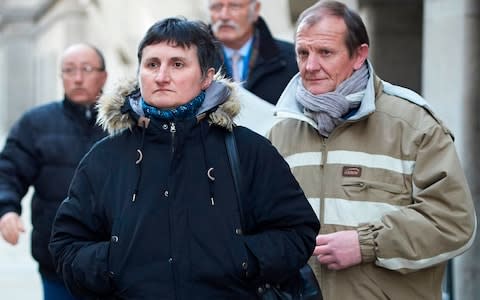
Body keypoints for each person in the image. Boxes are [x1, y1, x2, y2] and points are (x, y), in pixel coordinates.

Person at [48, 17, 319, 299]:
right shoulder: (104, 158)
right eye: (152, 64)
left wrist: (241, 257)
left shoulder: (248, 150)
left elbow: (297, 231)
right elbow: (67, 244)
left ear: (206, 77)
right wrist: (114, 263)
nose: (162, 76)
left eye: (178, 64)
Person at [268, 1, 476, 299]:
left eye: (325, 52)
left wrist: (367, 244)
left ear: (359, 55)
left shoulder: (414, 125)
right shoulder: (278, 131)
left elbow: (453, 222)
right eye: (303, 52)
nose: (310, 66)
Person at [0, 43, 108, 299]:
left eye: (86, 69)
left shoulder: (125, 124)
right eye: (69, 70)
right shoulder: (36, 123)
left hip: (112, 262)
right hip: (56, 260)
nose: (78, 78)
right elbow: (8, 171)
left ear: (103, 75)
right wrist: (7, 210)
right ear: (61, 77)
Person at [208, 0, 298, 105]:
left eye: (234, 6)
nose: (224, 16)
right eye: (216, 7)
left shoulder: (292, 58)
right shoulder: (194, 61)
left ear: (255, 10)